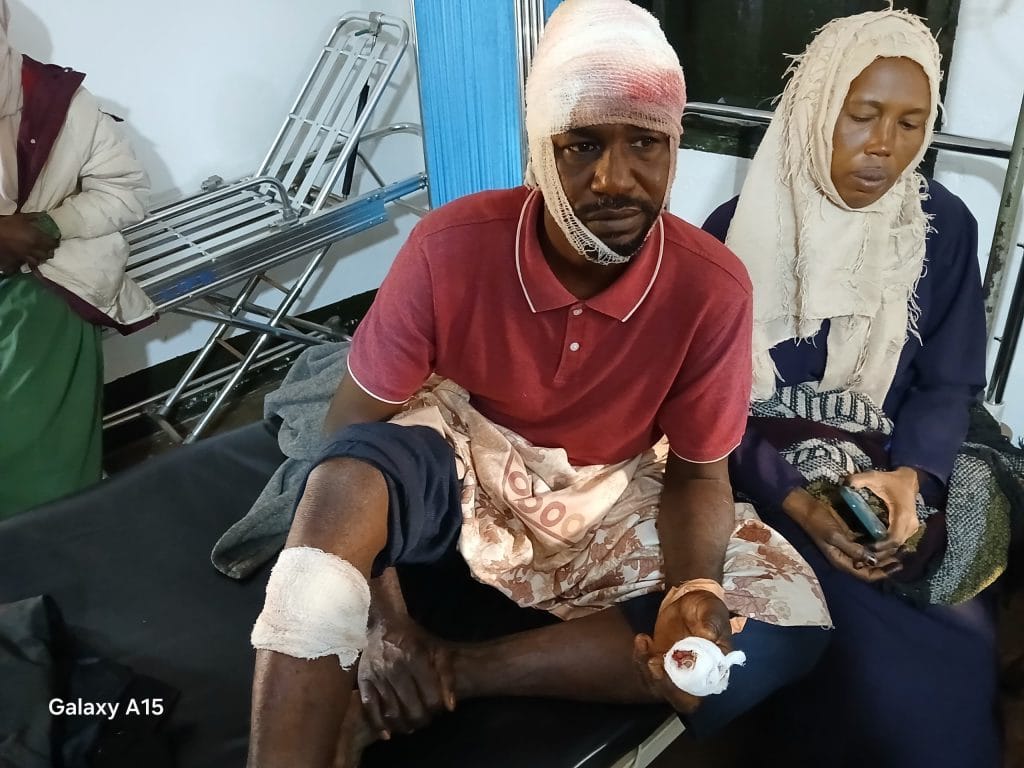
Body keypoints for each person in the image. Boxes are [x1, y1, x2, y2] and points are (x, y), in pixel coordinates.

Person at [245, 2, 831, 766]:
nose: (614, 179)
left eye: (645, 143)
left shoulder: (712, 288)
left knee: (780, 627)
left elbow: (697, 475)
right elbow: (349, 433)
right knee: (345, 480)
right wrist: (381, 625)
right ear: (539, 147)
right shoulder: (449, 247)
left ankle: (456, 671)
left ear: (673, 147)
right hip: (467, 463)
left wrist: (695, 594)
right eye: (581, 145)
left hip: (606, 493)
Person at [702, 10, 1001, 766]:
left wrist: (912, 477)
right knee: (869, 649)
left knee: (951, 635)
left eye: (910, 123)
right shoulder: (730, 239)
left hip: (887, 465)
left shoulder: (940, 227)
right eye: (861, 115)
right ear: (815, 111)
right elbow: (708, 411)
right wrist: (798, 500)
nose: (884, 146)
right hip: (758, 475)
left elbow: (948, 382)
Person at [0, 0, 153, 517]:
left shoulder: (54, 101)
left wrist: (46, 226)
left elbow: (126, 191)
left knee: (36, 447)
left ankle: (52, 525)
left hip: (35, 286)